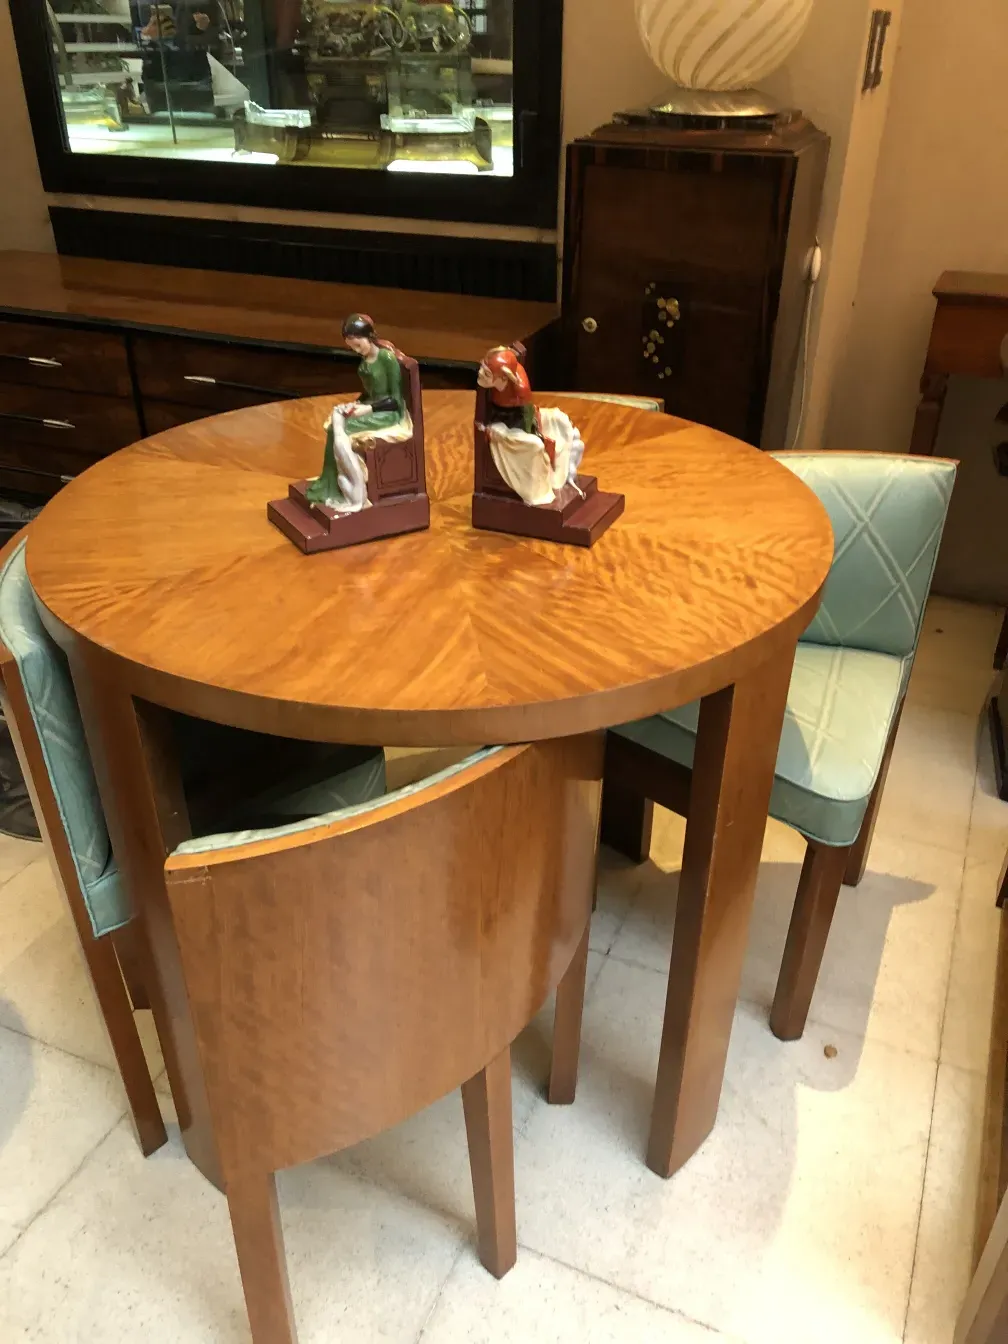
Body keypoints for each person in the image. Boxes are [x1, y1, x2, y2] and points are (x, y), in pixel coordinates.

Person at [306, 313, 406, 505]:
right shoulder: (363, 366)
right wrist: (356, 404)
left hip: (389, 413)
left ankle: (346, 485)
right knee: (333, 424)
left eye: (357, 345)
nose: (356, 350)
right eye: (352, 347)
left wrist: (367, 409)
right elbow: (368, 395)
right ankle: (329, 480)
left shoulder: (386, 359)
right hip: (372, 408)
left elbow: (395, 401)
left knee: (341, 428)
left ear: (368, 337)